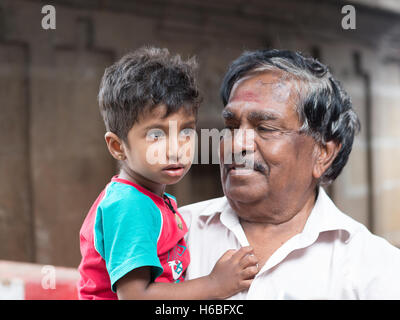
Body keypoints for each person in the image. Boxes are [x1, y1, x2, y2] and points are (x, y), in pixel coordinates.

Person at [179, 49, 400, 299]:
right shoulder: (172, 233)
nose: (236, 144)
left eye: (265, 128)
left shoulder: (376, 270)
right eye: (231, 126)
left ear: (323, 154)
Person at [77, 47, 259, 300]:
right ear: (118, 147)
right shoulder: (129, 205)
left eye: (186, 131)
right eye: (156, 135)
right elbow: (135, 296)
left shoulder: (153, 200)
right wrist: (216, 284)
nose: (176, 149)